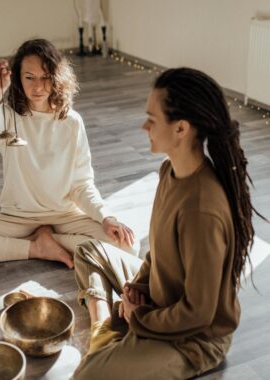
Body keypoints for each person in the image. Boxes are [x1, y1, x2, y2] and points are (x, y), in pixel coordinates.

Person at [73, 67, 261, 379]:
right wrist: (137, 286)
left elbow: (198, 314)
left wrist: (139, 317)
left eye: (152, 118)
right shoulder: (168, 171)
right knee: (89, 251)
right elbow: (159, 252)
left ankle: (111, 339)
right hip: (160, 298)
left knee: (88, 375)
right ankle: (103, 332)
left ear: (181, 129)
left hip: (193, 339)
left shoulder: (202, 210)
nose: (144, 125)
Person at [0, 39, 136, 268]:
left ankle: (50, 241)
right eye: (29, 77)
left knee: (128, 245)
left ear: (57, 77)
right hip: (18, 218)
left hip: (66, 216)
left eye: (46, 77)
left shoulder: (72, 122)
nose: (38, 87)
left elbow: (81, 184)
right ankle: (36, 247)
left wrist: (106, 217)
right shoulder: (9, 117)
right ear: (18, 78)